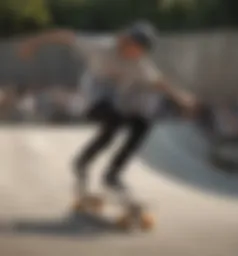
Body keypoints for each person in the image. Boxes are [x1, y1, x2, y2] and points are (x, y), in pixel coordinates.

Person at [19, 21, 199, 200]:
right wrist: (32, 43)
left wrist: (180, 97)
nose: (135, 55)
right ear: (126, 41)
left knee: (142, 124)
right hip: (90, 100)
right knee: (114, 122)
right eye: (135, 48)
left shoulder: (139, 63)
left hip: (115, 105)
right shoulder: (101, 45)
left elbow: (159, 82)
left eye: (141, 52)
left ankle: (110, 174)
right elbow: (64, 36)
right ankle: (84, 162)